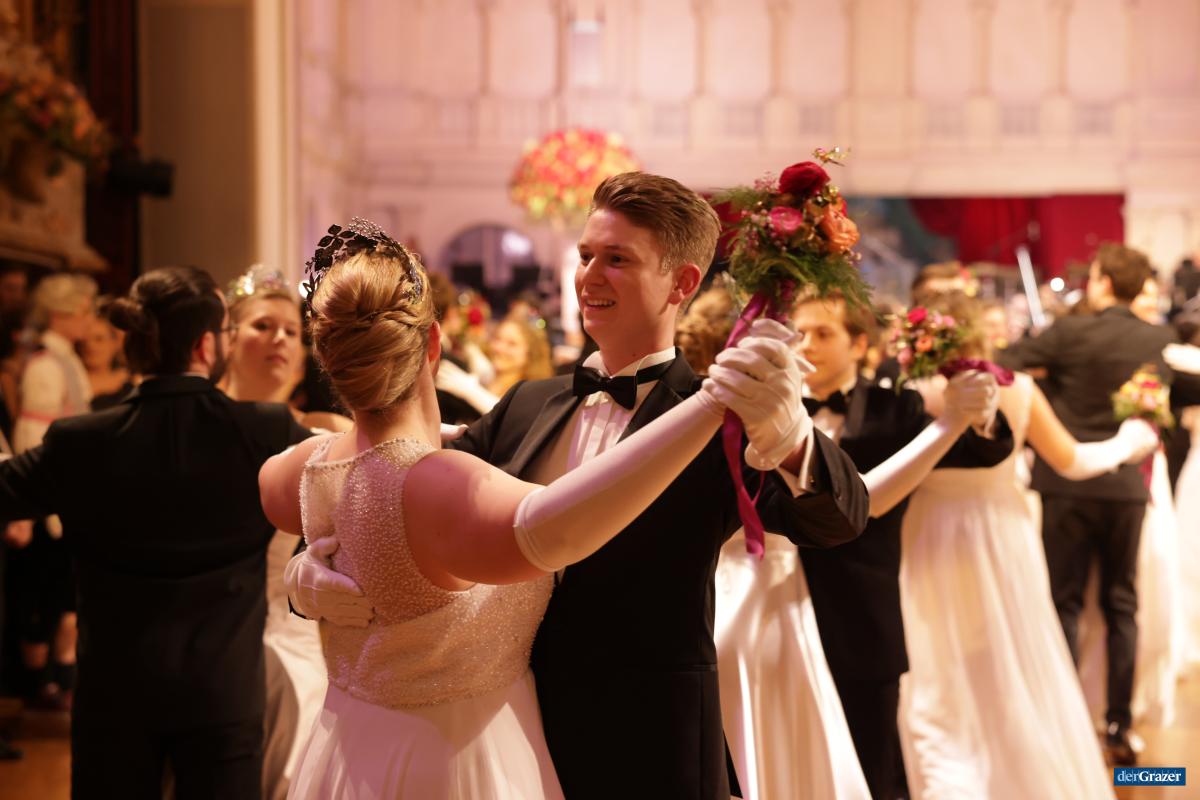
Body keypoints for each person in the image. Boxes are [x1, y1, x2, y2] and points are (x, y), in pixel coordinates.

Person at [287, 174, 869, 799]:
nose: (589, 276)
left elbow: (839, 519)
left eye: (617, 259)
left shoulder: (711, 417)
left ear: (682, 283)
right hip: (505, 728)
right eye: (586, 255)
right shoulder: (526, 404)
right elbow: (404, 500)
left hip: (648, 742)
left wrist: (792, 439)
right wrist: (307, 573)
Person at [0, 266, 312, 798]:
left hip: (113, 699)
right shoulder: (266, 430)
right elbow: (348, 481)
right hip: (224, 694)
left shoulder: (80, 440)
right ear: (206, 345)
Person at [901, 291, 1158, 799]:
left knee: (934, 655)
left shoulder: (910, 392)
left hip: (928, 531)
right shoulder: (1016, 389)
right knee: (1011, 652)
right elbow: (1073, 461)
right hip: (1000, 535)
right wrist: (1129, 441)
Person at [995, 243, 1200, 764]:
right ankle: (1118, 726)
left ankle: (1059, 722)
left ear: (1103, 281)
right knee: (1121, 606)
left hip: (1065, 485)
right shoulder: (1157, 338)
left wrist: (1049, 380)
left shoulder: (1068, 333)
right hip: (1126, 487)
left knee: (1062, 603)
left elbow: (1004, 366)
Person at [220, 265, 334, 799]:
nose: (280, 340)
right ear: (227, 338)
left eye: (291, 331)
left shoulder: (322, 433)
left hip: (290, 625)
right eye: (262, 326)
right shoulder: (198, 424)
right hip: (212, 627)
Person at [9, 272, 96, 710]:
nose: (88, 320)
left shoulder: (63, 359)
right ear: (65, 312)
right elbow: (32, 434)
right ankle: (38, 681)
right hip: (50, 499)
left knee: (63, 590)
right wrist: (39, 503)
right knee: (43, 589)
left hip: (67, 493)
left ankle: (60, 675)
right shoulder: (46, 364)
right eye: (84, 311)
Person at [81, 298, 134, 410]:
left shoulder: (130, 382)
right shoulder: (71, 379)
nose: (90, 346)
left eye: (99, 339)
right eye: (84, 341)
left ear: (114, 343)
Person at [486, 317, 554, 396]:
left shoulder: (526, 396)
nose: (499, 348)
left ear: (529, 354)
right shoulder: (483, 377)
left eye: (512, 344)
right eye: (497, 338)